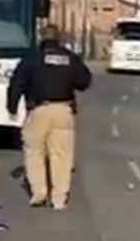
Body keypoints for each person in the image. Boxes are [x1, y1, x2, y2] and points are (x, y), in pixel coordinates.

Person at [6, 24, 92, 211]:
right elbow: (84, 82)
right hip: (64, 111)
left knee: (34, 151)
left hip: (39, 110)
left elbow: (17, 83)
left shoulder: (32, 58)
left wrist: (12, 107)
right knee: (61, 155)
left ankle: (39, 193)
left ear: (41, 38)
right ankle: (59, 199)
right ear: (59, 38)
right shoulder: (70, 58)